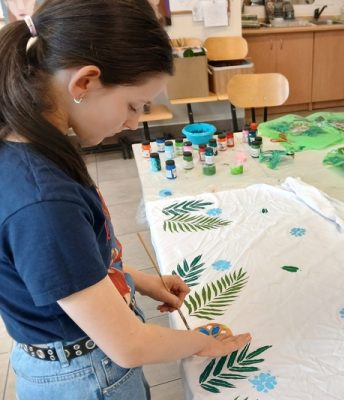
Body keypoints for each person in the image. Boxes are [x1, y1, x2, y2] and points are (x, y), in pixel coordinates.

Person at [0, 1, 251, 399]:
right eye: (133, 105)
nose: (134, 122)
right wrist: (200, 341)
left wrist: (139, 280)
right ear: (85, 83)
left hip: (81, 354)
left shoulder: (27, 146)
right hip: (86, 374)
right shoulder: (44, 203)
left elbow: (71, 264)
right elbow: (128, 345)